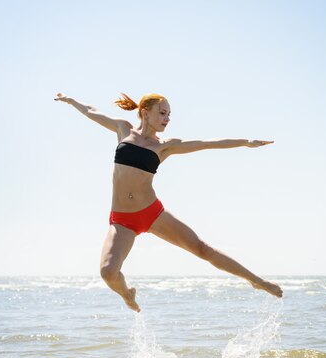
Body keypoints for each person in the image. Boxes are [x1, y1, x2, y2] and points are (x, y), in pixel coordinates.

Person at [55, 92, 283, 312]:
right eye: (162, 113)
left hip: (152, 213)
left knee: (202, 249)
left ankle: (256, 281)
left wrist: (245, 142)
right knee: (108, 272)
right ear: (145, 112)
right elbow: (91, 111)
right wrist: (70, 100)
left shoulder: (164, 145)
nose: (167, 119)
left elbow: (206, 143)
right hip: (122, 220)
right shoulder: (123, 128)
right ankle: (127, 294)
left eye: (169, 115)